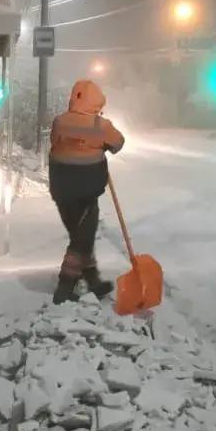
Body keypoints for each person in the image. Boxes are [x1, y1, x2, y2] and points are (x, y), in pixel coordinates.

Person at [48, 78, 125, 304]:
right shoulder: (101, 126)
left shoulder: (60, 122)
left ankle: (93, 282)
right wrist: (99, 142)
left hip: (62, 192)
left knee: (81, 237)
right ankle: (64, 286)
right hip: (86, 193)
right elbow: (119, 144)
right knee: (82, 240)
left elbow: (55, 141)